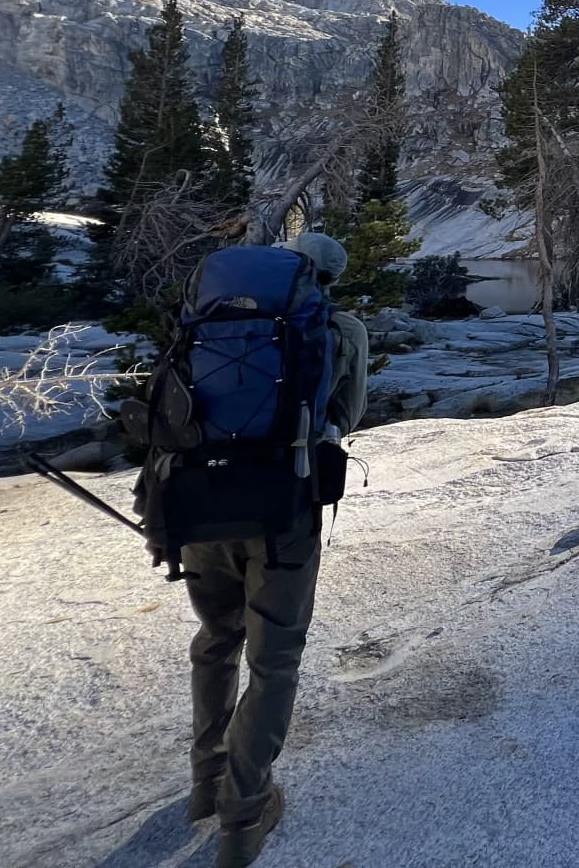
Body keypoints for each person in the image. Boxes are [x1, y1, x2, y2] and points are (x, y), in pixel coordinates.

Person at [184, 231, 369, 868]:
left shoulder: (209, 313)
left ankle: (205, 782)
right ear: (331, 277)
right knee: (273, 661)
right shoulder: (338, 329)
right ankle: (244, 814)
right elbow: (349, 413)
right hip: (282, 513)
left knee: (215, 639)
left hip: (201, 503)